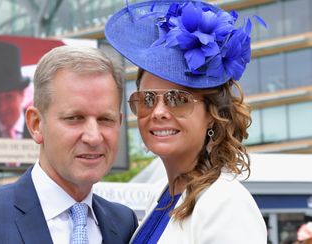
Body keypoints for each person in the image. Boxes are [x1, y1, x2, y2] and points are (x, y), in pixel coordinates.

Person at [0, 45, 138, 244]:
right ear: (36, 124)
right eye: (75, 118)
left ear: (120, 123)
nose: (93, 137)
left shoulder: (123, 223)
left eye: (105, 119)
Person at [105, 1, 267, 243]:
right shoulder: (163, 196)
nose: (158, 112)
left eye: (178, 99)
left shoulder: (226, 203)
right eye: (147, 98)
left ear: (213, 114)